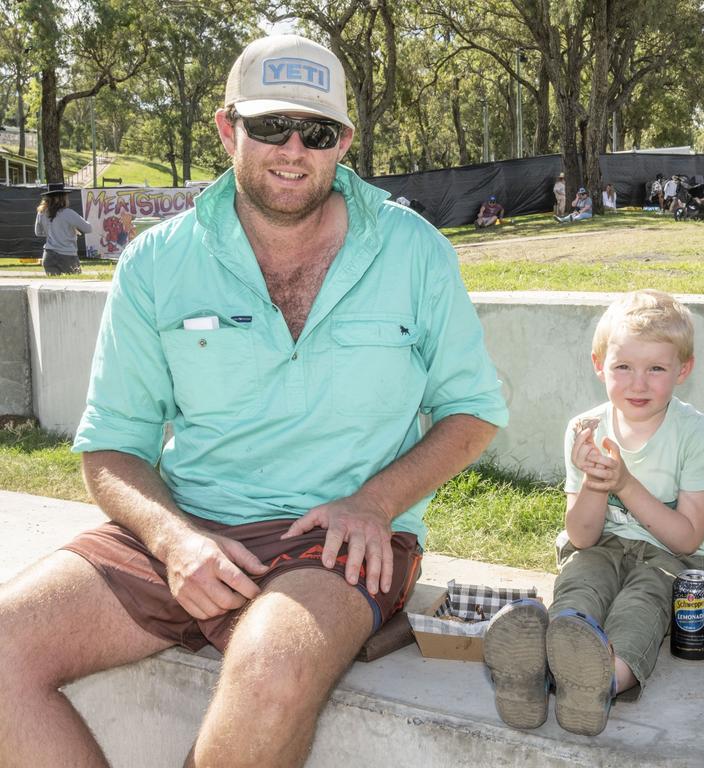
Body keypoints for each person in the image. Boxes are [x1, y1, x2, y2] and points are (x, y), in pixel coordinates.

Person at [0, 34, 509, 768]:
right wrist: (174, 540)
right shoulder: (156, 263)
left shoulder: (415, 251)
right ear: (227, 127)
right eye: (271, 126)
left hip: (339, 537)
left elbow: (473, 410)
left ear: (345, 143)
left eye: (318, 131)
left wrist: (374, 504)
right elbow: (111, 449)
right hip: (188, 522)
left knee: (272, 668)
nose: (293, 149)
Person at [483, 290, 704, 737]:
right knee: (580, 587)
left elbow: (686, 539)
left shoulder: (696, 433)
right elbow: (581, 537)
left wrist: (623, 484)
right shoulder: (586, 430)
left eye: (656, 368)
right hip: (600, 547)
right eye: (623, 367)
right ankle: (531, 675)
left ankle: (601, 683)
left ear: (683, 370)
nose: (638, 384)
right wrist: (596, 485)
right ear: (599, 365)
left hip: (669, 559)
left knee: (641, 607)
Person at [33, 182, 92, 275]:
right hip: (67, 256)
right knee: (73, 286)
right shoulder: (68, 213)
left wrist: (54, 233)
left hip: (48, 256)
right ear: (61, 198)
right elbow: (88, 228)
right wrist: (70, 230)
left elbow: (38, 232)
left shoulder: (41, 212)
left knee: (53, 287)